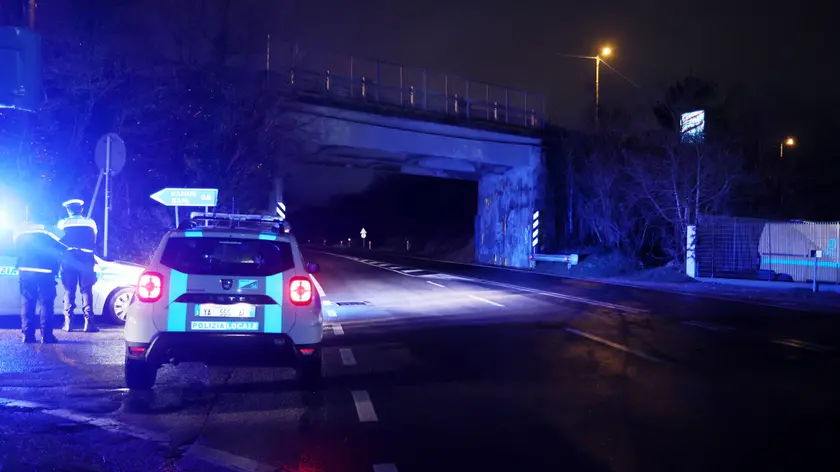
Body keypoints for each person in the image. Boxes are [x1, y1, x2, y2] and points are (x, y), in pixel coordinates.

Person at [13, 209, 66, 344]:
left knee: (27, 302)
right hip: (45, 270)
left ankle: (27, 335)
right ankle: (47, 336)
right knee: (46, 303)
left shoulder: (19, 229)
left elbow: (15, 245)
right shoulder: (49, 229)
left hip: (25, 269)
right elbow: (65, 242)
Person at [57, 198, 99, 333]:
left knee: (69, 290)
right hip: (86, 258)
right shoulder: (90, 222)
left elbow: (58, 242)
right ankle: (89, 323)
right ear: (81, 209)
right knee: (86, 290)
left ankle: (68, 323)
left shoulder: (62, 223)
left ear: (68, 210)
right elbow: (94, 239)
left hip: (69, 258)